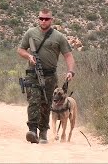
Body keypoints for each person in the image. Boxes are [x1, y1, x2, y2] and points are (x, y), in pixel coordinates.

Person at [17, 8, 75, 144]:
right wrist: (29, 56)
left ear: (51, 20)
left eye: (46, 19)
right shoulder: (30, 33)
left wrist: (70, 71)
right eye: (41, 18)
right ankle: (32, 130)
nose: (43, 21)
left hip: (49, 75)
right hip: (32, 73)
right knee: (34, 101)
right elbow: (20, 50)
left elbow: (68, 56)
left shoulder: (59, 37)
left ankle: (43, 131)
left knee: (46, 103)